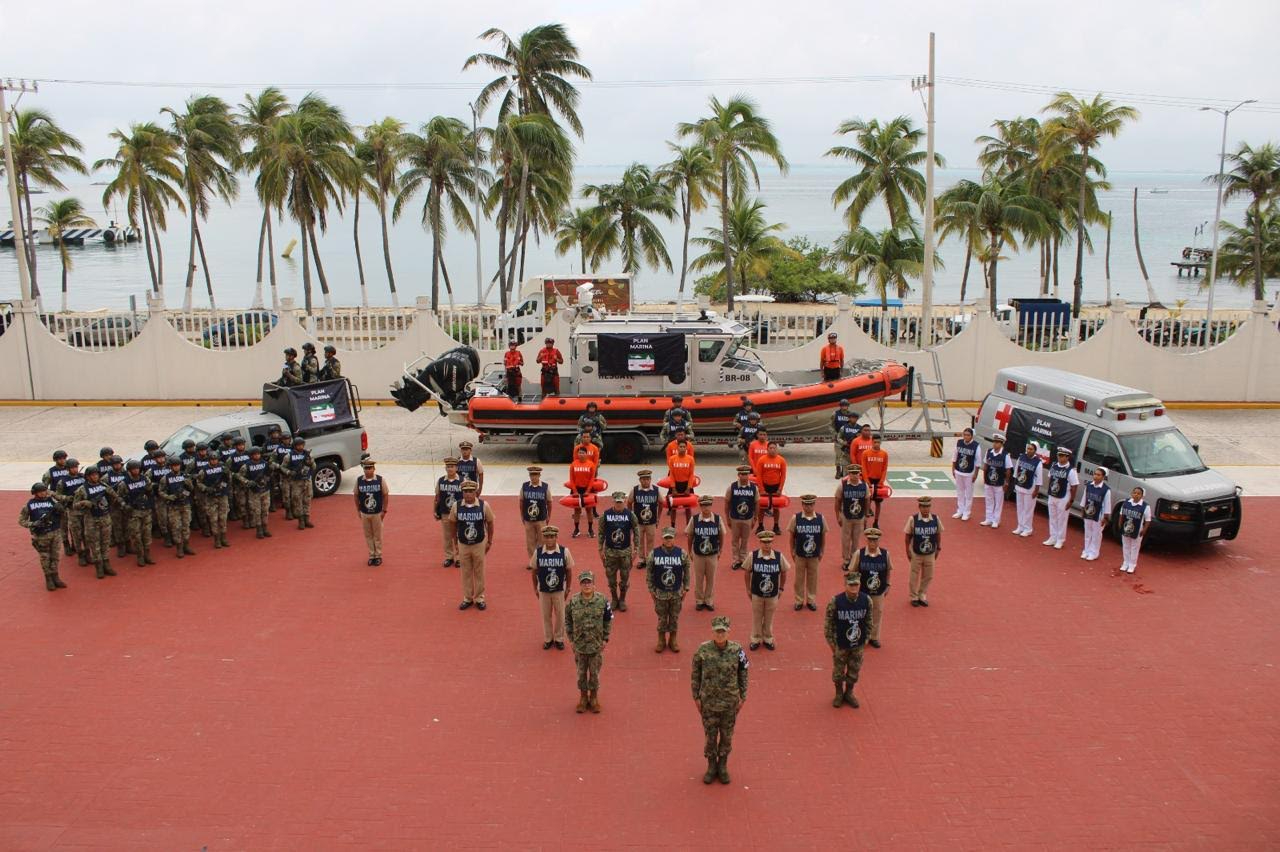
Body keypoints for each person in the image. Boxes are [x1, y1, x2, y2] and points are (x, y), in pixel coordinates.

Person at [691, 615, 749, 785]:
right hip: (709, 702)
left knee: (726, 736)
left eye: (723, 632)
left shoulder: (738, 650)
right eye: (717, 632)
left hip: (730, 702)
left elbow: (744, 672)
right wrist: (696, 696)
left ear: (728, 632)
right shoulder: (702, 651)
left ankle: (722, 766)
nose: (720, 635)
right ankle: (711, 766)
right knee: (710, 736)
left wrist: (743, 696)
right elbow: (695, 674)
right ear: (712, 632)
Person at [565, 570, 612, 713]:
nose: (586, 585)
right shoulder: (573, 602)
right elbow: (568, 621)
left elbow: (607, 620)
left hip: (596, 645)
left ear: (594, 584)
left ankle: (594, 698)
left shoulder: (602, 600)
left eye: (589, 582)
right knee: (581, 673)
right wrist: (571, 640)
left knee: (594, 673)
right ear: (580, 584)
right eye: (584, 582)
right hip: (579, 645)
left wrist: (605, 638)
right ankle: (583, 698)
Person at [824, 572, 871, 709]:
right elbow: (828, 624)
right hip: (841, 645)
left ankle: (849, 692)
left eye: (856, 584)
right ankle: (839, 693)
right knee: (838, 672)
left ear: (860, 585)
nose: (853, 587)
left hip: (858, 645)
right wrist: (832, 644)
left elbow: (869, 621)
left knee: (854, 671)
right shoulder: (836, 601)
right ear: (845, 585)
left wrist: (866, 640)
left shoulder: (866, 600)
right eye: (851, 585)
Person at [450, 481, 495, 610]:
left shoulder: (483, 505)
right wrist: (455, 541)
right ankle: (467, 597)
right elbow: (452, 523)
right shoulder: (456, 506)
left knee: (479, 570)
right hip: (463, 543)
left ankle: (479, 597)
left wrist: (490, 541)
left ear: (475, 492)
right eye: (465, 492)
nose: (468, 494)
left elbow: (490, 523)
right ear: (462, 492)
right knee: (466, 571)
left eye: (471, 491)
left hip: (479, 543)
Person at [646, 527, 691, 653]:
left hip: (676, 592)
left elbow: (687, 569)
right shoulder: (654, 554)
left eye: (670, 537)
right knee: (662, 617)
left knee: (674, 617)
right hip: (660, 592)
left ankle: (673, 639)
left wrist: (686, 587)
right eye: (666, 538)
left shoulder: (681, 553)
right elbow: (649, 572)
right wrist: (651, 589)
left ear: (674, 538)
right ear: (662, 539)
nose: (668, 540)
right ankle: (661, 640)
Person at [530, 525, 575, 649]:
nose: (549, 539)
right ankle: (548, 638)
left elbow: (569, 571)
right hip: (544, 590)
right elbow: (534, 571)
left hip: (559, 590)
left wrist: (568, 588)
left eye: (552, 537)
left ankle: (559, 638)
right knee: (546, 615)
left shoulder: (564, 551)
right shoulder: (538, 552)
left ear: (556, 537)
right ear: (543, 538)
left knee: (560, 615)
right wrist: (535, 588)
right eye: (547, 537)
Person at [745, 529, 788, 651]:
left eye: (769, 542)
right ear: (760, 542)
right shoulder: (752, 556)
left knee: (769, 617)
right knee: (757, 616)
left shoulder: (779, 557)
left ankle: (768, 638)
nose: (767, 545)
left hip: (772, 594)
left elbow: (784, 572)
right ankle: (755, 639)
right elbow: (747, 571)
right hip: (757, 593)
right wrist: (748, 589)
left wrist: (781, 588)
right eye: (764, 542)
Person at [20, 482, 66, 590]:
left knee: (55, 556)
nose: (43, 493)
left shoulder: (52, 501)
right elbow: (21, 520)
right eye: (40, 492)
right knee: (45, 557)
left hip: (55, 532)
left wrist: (61, 509)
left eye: (45, 491)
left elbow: (62, 513)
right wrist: (32, 524)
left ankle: (56, 577)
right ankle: (48, 578)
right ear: (35, 493)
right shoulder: (29, 505)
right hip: (41, 535)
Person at [597, 492, 638, 611]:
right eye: (617, 502)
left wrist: (636, 549)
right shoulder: (606, 515)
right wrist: (600, 549)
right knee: (611, 578)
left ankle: (622, 599)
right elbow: (601, 533)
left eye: (621, 502)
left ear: (624, 501)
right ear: (613, 502)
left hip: (625, 552)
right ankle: (614, 599)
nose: (619, 504)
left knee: (625, 577)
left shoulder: (630, 515)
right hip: (610, 552)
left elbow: (636, 531)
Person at [851, 527, 891, 648]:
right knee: (861, 614)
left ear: (878, 541)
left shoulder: (885, 554)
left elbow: (888, 570)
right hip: (862, 591)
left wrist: (888, 585)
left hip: (879, 591)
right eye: (870, 540)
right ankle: (862, 637)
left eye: (875, 540)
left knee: (877, 613)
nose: (872, 543)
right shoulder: (859, 553)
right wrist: (853, 589)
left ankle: (874, 637)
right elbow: (852, 572)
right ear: (867, 541)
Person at [686, 495, 727, 612]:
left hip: (712, 554)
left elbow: (721, 535)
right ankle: (699, 600)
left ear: (711, 506)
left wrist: (720, 550)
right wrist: (690, 551)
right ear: (700, 506)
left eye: (708, 505)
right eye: (703, 505)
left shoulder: (718, 519)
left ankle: (709, 600)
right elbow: (690, 536)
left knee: (711, 579)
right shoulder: (694, 520)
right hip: (698, 554)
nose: (706, 508)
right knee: (698, 579)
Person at [786, 493, 825, 612]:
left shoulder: (820, 518)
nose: (808, 507)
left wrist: (822, 551)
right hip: (800, 554)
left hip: (814, 555)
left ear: (814, 505)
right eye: (806, 505)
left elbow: (823, 537)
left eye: (811, 504)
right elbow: (792, 536)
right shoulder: (796, 518)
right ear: (802, 505)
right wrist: (792, 551)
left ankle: (811, 600)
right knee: (799, 579)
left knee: (813, 578)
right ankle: (799, 600)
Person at [904, 496, 943, 607]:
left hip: (930, 553)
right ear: (919, 507)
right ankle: (913, 596)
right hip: (916, 553)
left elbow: (938, 534)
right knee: (914, 575)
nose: (926, 509)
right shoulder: (913, 519)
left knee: (928, 575)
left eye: (928, 506)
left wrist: (938, 548)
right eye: (923, 507)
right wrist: (907, 550)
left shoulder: (935, 519)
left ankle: (922, 595)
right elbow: (907, 536)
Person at [118, 459, 157, 565]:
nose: (136, 471)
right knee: (136, 535)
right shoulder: (124, 483)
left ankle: (147, 554)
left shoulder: (145, 479)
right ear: (129, 470)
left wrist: (150, 504)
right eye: (134, 469)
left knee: (147, 534)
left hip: (146, 510)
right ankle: (140, 556)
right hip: (133, 513)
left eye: (137, 469)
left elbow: (150, 492)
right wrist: (125, 506)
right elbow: (119, 497)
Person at [1043, 447, 1080, 549]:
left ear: (1067, 457)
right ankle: (1053, 537)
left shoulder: (1071, 470)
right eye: (1059, 455)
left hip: (1064, 497)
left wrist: (1071, 500)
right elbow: (1050, 478)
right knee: (1052, 517)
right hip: (1053, 495)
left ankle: (1060, 540)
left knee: (1062, 519)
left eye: (1062, 456)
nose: (1059, 457)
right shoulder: (1054, 466)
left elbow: (1074, 486)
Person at [354, 459, 389, 566]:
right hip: (364, 513)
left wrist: (384, 510)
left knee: (377, 535)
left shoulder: (380, 480)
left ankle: (378, 555)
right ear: (363, 469)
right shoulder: (359, 480)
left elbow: (385, 495)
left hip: (377, 512)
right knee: (368, 535)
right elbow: (356, 495)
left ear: (374, 469)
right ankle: (371, 555)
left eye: (370, 468)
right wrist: (358, 510)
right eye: (366, 468)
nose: (368, 470)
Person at [196, 445, 232, 549]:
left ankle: (224, 538)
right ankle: (216, 539)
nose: (214, 461)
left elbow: (228, 480)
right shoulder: (204, 471)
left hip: (222, 496)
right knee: (213, 519)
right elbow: (198, 482)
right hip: (211, 497)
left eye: (216, 460)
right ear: (209, 460)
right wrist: (206, 489)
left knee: (223, 517)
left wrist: (226, 477)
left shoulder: (223, 468)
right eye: (212, 460)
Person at [724, 465, 758, 571]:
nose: (744, 476)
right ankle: (735, 560)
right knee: (734, 541)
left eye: (746, 474)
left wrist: (755, 517)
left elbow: (757, 503)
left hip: (748, 518)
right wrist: (727, 518)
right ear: (738, 475)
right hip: (735, 518)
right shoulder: (732, 487)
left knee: (745, 540)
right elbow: (727, 502)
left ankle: (743, 559)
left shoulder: (753, 488)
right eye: (742, 474)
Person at [160, 457, 196, 559]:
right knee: (176, 527)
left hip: (185, 504)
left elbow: (191, 489)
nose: (177, 467)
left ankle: (186, 545)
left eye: (178, 465)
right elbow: (160, 491)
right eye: (174, 465)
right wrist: (169, 497)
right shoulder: (165, 478)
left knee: (186, 525)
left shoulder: (185, 476)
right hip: (173, 506)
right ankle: (179, 548)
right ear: (171, 467)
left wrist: (188, 484)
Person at [836, 463, 870, 569]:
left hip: (859, 517)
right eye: (852, 473)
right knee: (846, 539)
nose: (854, 475)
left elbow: (867, 501)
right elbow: (837, 500)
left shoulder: (864, 486)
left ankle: (854, 560)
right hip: (846, 516)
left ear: (859, 474)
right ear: (849, 474)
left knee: (856, 539)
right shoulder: (843, 485)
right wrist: (838, 515)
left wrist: (866, 515)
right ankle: (846, 560)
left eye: (856, 473)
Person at [54, 458, 88, 565]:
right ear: (68, 469)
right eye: (73, 467)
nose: (75, 469)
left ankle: (88, 553)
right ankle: (80, 555)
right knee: (76, 534)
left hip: (85, 510)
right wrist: (68, 498)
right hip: (73, 511)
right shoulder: (62, 481)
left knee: (86, 534)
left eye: (76, 467)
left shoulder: (83, 478)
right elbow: (57, 495)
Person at [236, 446, 274, 539]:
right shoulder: (246, 466)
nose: (257, 456)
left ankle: (265, 528)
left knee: (265, 510)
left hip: (265, 490)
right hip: (254, 492)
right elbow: (239, 476)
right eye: (255, 454)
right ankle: (259, 530)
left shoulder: (265, 464)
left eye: (258, 454)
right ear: (251, 456)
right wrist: (247, 482)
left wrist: (269, 470)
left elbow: (270, 472)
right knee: (257, 511)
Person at [43, 450, 75, 557]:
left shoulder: (70, 468)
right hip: (58, 502)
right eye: (60, 459)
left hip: (70, 500)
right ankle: (66, 545)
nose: (63, 460)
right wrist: (53, 499)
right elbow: (44, 488)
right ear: (56, 460)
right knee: (63, 525)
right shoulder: (50, 472)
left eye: (64, 458)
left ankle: (75, 544)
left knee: (73, 524)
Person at [753, 441, 787, 534]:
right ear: (767, 449)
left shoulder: (781, 460)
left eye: (774, 448)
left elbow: (783, 476)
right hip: (765, 486)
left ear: (777, 449)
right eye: (770, 448)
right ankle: (760, 526)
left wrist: (780, 489)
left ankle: (776, 526)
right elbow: (758, 476)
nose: (772, 450)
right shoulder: (761, 460)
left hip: (776, 486)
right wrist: (761, 489)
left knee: (776, 507)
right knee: (762, 507)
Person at [435, 458, 464, 567]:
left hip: (459, 513)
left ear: (456, 468)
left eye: (452, 466)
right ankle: (449, 557)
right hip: (445, 512)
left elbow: (466, 497)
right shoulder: (441, 480)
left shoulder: (462, 481)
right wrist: (435, 510)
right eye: (448, 467)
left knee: (458, 535)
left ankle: (459, 558)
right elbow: (437, 497)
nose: (450, 469)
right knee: (447, 536)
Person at [1080, 467, 1113, 562]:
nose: (1095, 476)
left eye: (1098, 475)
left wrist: (1105, 517)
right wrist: (1082, 511)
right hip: (1088, 513)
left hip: (1099, 515)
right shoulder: (1089, 485)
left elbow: (1107, 504)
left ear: (1103, 477)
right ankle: (1086, 550)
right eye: (1095, 474)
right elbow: (1084, 499)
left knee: (1096, 534)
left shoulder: (1106, 490)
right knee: (1087, 533)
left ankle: (1094, 552)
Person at [1011, 441, 1043, 538]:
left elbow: (1039, 479)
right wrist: (1015, 484)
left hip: (1030, 488)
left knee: (1028, 509)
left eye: (1031, 449)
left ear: (1035, 451)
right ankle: (1020, 526)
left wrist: (1036, 491)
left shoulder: (1038, 462)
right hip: (1020, 486)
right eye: (1028, 448)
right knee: (1020, 508)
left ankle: (1027, 529)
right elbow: (1016, 472)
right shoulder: (1021, 457)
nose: (1029, 450)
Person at [980, 433, 1012, 529]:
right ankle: (988, 518)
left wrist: (1006, 482)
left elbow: (1008, 470)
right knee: (989, 500)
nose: (995, 444)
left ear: (1002, 444)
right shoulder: (989, 452)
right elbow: (985, 466)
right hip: (989, 481)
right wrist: (984, 478)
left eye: (997, 442)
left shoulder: (1005, 455)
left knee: (998, 502)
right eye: (994, 442)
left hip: (999, 483)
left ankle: (996, 520)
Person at [1117, 486, 1152, 574]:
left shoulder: (1145, 506)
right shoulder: (1126, 502)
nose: (1136, 495)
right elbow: (1121, 514)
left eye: (1138, 493)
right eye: (1134, 493)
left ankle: (1132, 564)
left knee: (1135, 547)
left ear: (1142, 495)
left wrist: (1144, 530)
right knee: (1126, 546)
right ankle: (1125, 562)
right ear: (1132, 493)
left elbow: (1148, 520)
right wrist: (1120, 524)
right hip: (1126, 528)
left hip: (1137, 530)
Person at [519, 465, 551, 558]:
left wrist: (549, 515)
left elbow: (549, 502)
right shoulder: (524, 486)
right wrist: (522, 515)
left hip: (541, 519)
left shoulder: (545, 487)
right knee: (530, 541)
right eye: (532, 475)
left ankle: (541, 560)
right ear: (529, 476)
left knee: (542, 541)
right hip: (528, 519)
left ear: (539, 475)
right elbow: (521, 501)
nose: (533, 477)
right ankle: (532, 562)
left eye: (535, 475)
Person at [285, 437, 316, 530]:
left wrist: (310, 462)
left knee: (307, 499)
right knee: (297, 500)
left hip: (307, 480)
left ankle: (307, 519)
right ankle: (301, 521)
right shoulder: (289, 456)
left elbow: (314, 467)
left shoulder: (308, 454)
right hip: (296, 482)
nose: (301, 446)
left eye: (302, 445)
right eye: (298, 445)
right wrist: (289, 472)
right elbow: (283, 467)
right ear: (295, 446)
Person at [567, 447, 599, 538]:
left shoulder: (591, 464)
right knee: (577, 510)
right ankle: (576, 529)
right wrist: (575, 490)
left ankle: (590, 529)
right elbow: (571, 479)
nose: (581, 454)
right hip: (576, 489)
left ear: (586, 454)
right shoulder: (573, 464)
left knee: (589, 510)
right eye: (579, 453)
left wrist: (588, 491)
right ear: (577, 454)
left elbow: (592, 479)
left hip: (588, 489)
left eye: (583, 453)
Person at [629, 469, 661, 559]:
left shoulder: (656, 490)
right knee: (639, 540)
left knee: (651, 540)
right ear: (640, 480)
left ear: (650, 479)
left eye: (647, 479)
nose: (645, 481)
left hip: (651, 521)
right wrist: (631, 515)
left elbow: (661, 502)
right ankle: (641, 559)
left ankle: (649, 559)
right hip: (638, 521)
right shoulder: (635, 490)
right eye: (643, 479)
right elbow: (629, 502)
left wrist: (658, 517)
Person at [952, 428, 981, 521]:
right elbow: (955, 456)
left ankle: (967, 512)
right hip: (958, 471)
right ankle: (960, 510)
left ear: (972, 436)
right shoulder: (959, 443)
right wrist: (953, 469)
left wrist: (975, 474)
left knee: (968, 494)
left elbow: (978, 462)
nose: (966, 436)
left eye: (968, 435)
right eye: (964, 434)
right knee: (960, 492)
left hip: (969, 473)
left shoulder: (976, 446)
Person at [860, 435, 889, 527]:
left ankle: (876, 522)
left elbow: (884, 469)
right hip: (868, 480)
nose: (876, 444)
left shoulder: (884, 454)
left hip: (878, 481)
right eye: (875, 442)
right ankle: (865, 522)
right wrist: (866, 481)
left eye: (878, 442)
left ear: (880, 442)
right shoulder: (865, 453)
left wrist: (881, 481)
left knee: (878, 503)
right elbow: (863, 468)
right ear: (872, 442)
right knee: (867, 502)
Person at [666, 442, 697, 527]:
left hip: (686, 485)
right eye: (680, 446)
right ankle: (672, 526)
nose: (682, 448)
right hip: (675, 485)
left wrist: (689, 487)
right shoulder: (672, 459)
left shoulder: (690, 459)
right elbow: (671, 474)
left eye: (684, 447)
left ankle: (688, 527)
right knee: (673, 508)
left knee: (687, 508)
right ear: (677, 448)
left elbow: (691, 474)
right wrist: (673, 487)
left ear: (686, 448)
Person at [104, 455, 128, 557]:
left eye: (119, 464)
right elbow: (103, 490)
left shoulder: (127, 474)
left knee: (127, 525)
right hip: (114, 505)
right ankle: (120, 546)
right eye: (115, 464)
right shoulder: (106, 477)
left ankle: (128, 544)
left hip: (126, 503)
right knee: (117, 526)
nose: (117, 466)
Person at [228, 436, 252, 529]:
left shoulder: (249, 454)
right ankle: (245, 520)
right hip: (238, 484)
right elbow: (227, 470)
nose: (241, 446)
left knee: (251, 502)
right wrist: (235, 476)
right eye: (239, 445)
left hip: (249, 481)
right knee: (242, 502)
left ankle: (252, 519)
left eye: (242, 444)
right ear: (235, 446)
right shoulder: (232, 457)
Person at [831, 399, 857, 479]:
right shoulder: (835, 414)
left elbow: (853, 424)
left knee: (846, 456)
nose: (844, 407)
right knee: (838, 455)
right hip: (838, 438)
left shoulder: (850, 414)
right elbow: (831, 425)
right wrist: (835, 434)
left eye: (845, 405)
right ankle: (838, 471)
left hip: (848, 438)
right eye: (842, 405)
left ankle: (844, 471)